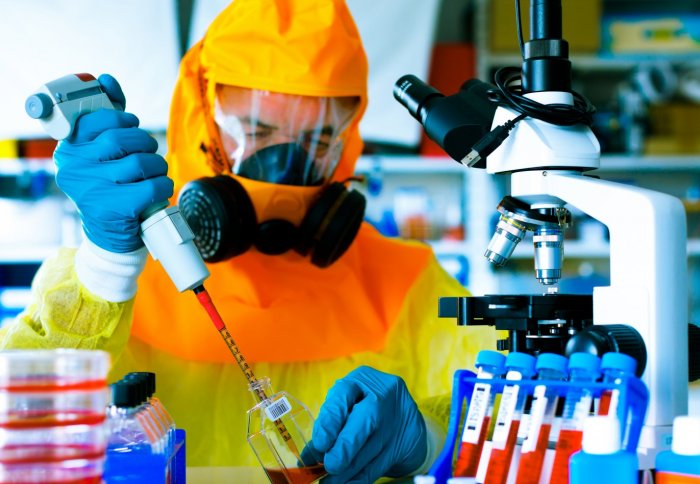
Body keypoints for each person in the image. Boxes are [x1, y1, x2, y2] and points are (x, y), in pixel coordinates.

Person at [0, 0, 496, 480]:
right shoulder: (109, 280)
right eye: (257, 132)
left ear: (348, 142)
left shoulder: (402, 282)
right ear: (202, 120)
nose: (283, 166)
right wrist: (107, 267)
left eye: (318, 142)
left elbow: (512, 416)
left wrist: (429, 438)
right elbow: (21, 422)